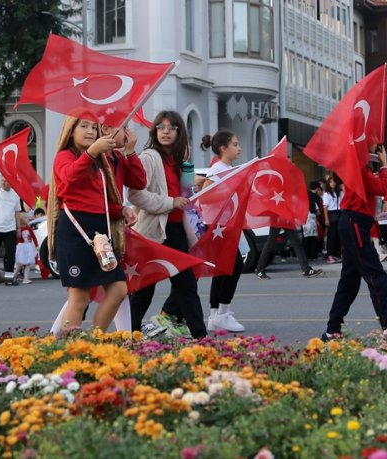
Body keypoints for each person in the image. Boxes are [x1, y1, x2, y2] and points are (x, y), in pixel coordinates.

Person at [46, 116, 134, 333]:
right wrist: (91, 152)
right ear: (70, 130)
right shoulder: (64, 157)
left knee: (119, 289)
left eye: (94, 127)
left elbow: (99, 201)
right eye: (83, 126)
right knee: (79, 297)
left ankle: (94, 341)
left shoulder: (99, 161)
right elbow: (68, 180)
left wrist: (121, 210)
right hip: (75, 232)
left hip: (99, 234)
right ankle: (73, 349)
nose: (90, 131)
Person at [128, 111, 208, 340]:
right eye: (161, 127)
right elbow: (135, 195)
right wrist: (169, 202)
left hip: (175, 231)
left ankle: (201, 336)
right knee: (145, 287)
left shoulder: (179, 162)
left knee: (186, 285)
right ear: (155, 131)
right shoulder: (149, 157)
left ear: (179, 132)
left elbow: (184, 200)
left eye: (171, 128)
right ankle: (128, 335)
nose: (165, 131)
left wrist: (190, 185)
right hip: (153, 231)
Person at [322, 143, 387, 340]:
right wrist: (384, 165)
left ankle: (332, 330)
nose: (374, 151)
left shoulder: (359, 168)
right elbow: (381, 187)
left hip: (355, 223)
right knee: (376, 277)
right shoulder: (359, 169)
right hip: (354, 222)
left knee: (349, 282)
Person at [198, 129, 247, 333]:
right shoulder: (218, 170)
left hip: (224, 226)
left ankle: (215, 315)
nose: (239, 148)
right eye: (235, 144)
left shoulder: (226, 169)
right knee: (232, 267)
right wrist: (227, 192)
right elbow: (205, 197)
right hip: (218, 227)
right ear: (223, 148)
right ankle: (222, 314)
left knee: (223, 269)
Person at [256, 223, 323, 279]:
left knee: (297, 243)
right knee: (270, 243)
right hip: (279, 217)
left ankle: (306, 269)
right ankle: (259, 269)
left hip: (285, 218)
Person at [11, 214, 38, 285]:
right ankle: (13, 277)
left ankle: (26, 278)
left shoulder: (29, 228)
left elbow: (33, 237)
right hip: (21, 247)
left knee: (28, 264)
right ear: (21, 220)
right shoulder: (19, 229)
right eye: (26, 218)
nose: (28, 219)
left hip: (28, 246)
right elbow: (17, 239)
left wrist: (36, 245)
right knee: (19, 264)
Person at [322, 175, 343, 263]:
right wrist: (326, 219)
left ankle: (336, 254)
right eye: (330, 182)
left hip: (339, 213)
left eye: (334, 182)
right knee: (332, 236)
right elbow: (325, 208)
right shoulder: (327, 194)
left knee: (339, 235)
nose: (332, 183)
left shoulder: (339, 193)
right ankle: (330, 255)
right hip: (331, 214)